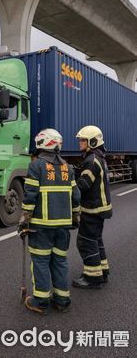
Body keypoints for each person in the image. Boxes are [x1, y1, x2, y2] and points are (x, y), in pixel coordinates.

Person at [19, 129, 81, 314]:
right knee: (60, 261)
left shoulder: (36, 166)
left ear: (41, 144)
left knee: (40, 262)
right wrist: (76, 216)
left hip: (41, 227)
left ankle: (41, 301)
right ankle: (62, 300)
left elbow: (30, 195)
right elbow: (75, 196)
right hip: (63, 227)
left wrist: (25, 219)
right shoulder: (68, 168)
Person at [72, 125, 112, 289]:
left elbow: (83, 185)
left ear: (93, 141)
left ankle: (92, 278)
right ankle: (102, 271)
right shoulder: (98, 157)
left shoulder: (91, 160)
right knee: (96, 240)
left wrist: (69, 185)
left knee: (85, 242)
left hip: (93, 210)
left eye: (83, 140)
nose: (80, 143)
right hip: (100, 209)